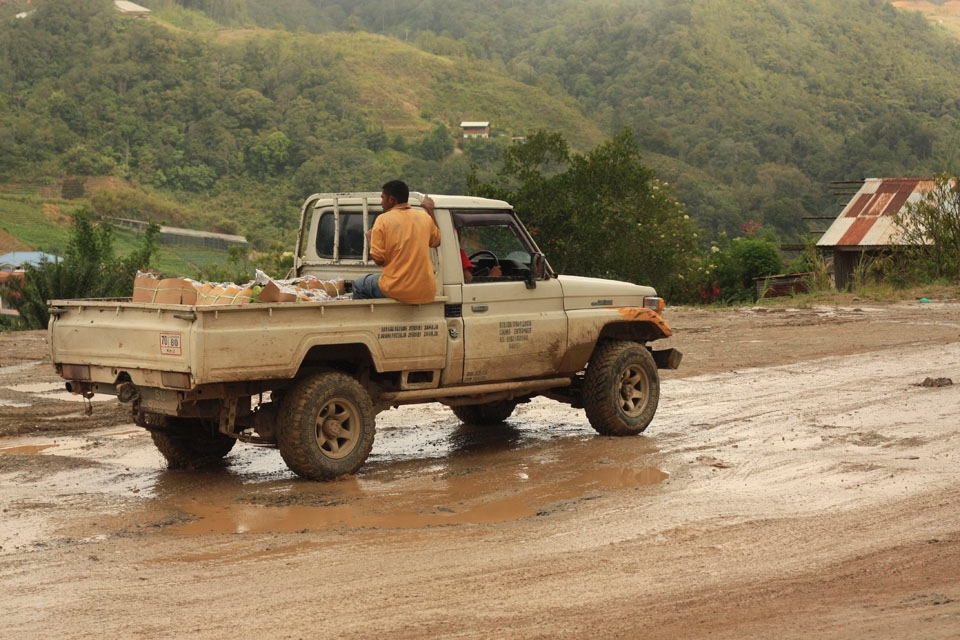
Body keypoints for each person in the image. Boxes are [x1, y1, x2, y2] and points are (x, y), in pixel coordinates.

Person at [352, 180, 441, 304]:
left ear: (392, 200)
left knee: (359, 285)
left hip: (398, 289)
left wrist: (370, 239)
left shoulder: (382, 220)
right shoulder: (424, 217)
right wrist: (430, 210)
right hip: (425, 290)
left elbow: (379, 259)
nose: (381, 202)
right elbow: (436, 241)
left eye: (383, 198)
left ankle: (368, 320)